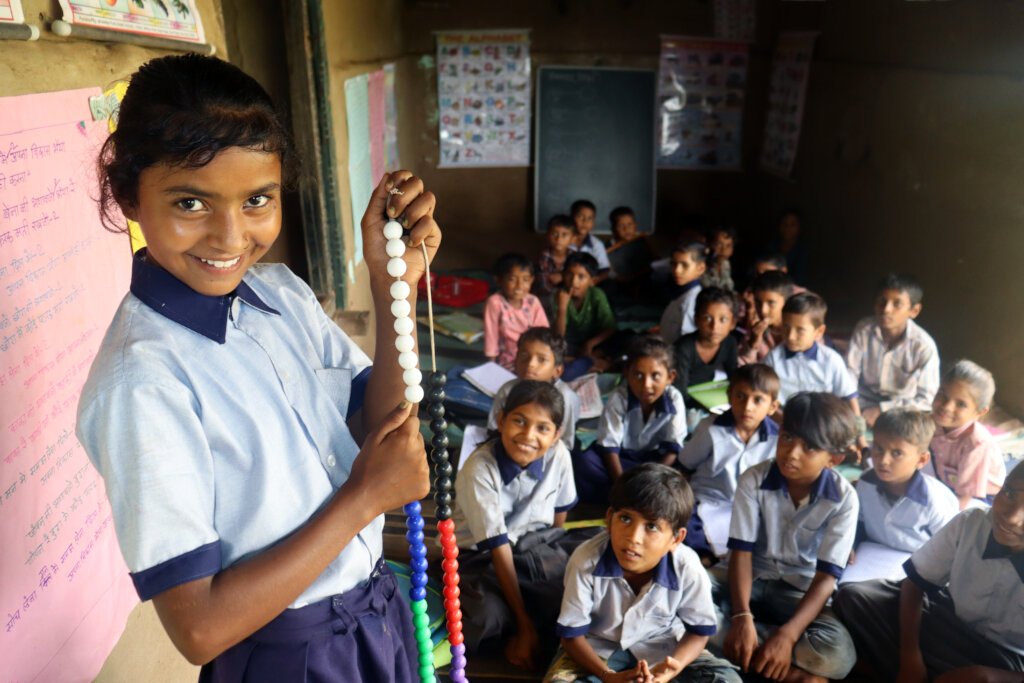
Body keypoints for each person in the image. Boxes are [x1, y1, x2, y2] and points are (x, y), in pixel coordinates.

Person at [76, 54, 437, 681]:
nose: (229, 236)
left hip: (374, 619)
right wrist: (362, 499)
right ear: (129, 196)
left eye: (257, 200)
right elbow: (199, 628)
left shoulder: (282, 296)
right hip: (287, 658)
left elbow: (380, 430)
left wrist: (392, 287)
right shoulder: (142, 383)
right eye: (190, 203)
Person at [545, 464, 741, 683]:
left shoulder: (688, 567)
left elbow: (699, 632)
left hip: (664, 646)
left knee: (727, 680)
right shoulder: (585, 560)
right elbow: (571, 637)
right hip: (597, 649)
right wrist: (607, 676)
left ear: (676, 539)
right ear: (609, 519)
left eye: (652, 527)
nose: (634, 538)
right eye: (626, 519)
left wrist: (670, 672)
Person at [834, 461, 1024, 682]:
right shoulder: (971, 523)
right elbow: (915, 584)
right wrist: (910, 657)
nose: (1011, 517)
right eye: (1010, 493)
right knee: (854, 598)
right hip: (946, 621)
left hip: (1005, 661)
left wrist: (990, 676)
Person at [718, 393, 859, 683]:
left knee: (838, 654)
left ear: (834, 459)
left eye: (809, 447)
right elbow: (741, 555)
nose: (791, 453)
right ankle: (787, 669)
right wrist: (742, 617)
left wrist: (789, 634)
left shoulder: (845, 499)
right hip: (749, 583)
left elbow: (825, 579)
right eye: (787, 437)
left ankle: (753, 650)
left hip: (799, 592)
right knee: (683, 597)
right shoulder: (753, 480)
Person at [453, 381, 582, 670]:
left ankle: (529, 627)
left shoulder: (558, 454)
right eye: (519, 421)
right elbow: (497, 547)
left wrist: (554, 558)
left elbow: (558, 525)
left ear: (557, 434)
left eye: (542, 428)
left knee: (579, 579)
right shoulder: (479, 468)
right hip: (480, 557)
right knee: (487, 619)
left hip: (534, 547)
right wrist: (524, 625)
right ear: (501, 420)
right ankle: (527, 629)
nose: (528, 436)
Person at [678, 364, 780, 561]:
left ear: (772, 407)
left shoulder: (777, 439)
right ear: (729, 396)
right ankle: (706, 557)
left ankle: (717, 559)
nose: (747, 407)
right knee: (682, 519)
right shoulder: (710, 429)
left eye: (758, 400)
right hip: (708, 500)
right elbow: (685, 466)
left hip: (752, 507)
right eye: (740, 396)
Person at [574, 336, 687, 504]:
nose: (646, 385)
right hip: (621, 460)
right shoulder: (619, 398)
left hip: (655, 463)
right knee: (584, 461)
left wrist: (653, 480)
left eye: (655, 376)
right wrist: (622, 483)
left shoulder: (674, 398)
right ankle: (627, 496)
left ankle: (627, 496)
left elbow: (672, 448)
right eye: (638, 375)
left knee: (683, 471)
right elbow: (609, 448)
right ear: (627, 373)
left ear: (670, 377)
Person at [855, 409, 958, 558]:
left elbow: (950, 547)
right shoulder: (865, 482)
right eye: (878, 448)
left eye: (897, 453)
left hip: (921, 567)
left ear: (921, 460)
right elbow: (859, 522)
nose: (883, 461)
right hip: (872, 558)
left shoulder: (935, 500)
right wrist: (852, 546)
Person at [846, 274, 940, 427]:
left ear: (914, 311)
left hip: (901, 406)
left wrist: (881, 410)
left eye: (897, 304)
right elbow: (850, 373)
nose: (886, 309)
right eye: (882, 301)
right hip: (864, 400)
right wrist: (855, 409)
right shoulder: (864, 329)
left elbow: (926, 399)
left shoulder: (923, 346)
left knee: (910, 432)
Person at [764, 292, 859, 417]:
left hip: (822, 422)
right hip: (784, 422)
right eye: (786, 327)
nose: (791, 337)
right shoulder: (773, 359)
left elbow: (849, 398)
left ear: (819, 332)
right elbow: (765, 400)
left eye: (800, 330)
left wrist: (860, 434)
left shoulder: (831, 360)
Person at [488, 326, 581, 452]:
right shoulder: (508, 390)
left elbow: (565, 443)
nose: (530, 364)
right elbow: (493, 430)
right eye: (524, 356)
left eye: (541, 359)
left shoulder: (566, 398)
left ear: (557, 371)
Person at [930, 360, 1006, 509]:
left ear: (979, 412)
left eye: (961, 404)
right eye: (942, 395)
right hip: (948, 484)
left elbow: (964, 498)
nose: (946, 407)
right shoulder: (932, 423)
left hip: (980, 497)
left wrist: (945, 523)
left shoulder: (976, 444)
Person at [554, 252, 617, 379]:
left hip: (593, 344)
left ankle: (587, 361)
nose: (573, 281)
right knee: (554, 356)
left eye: (581, 277)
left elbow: (610, 328)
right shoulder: (558, 296)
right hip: (567, 346)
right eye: (569, 274)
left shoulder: (596, 295)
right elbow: (557, 337)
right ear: (563, 275)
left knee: (624, 338)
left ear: (592, 281)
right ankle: (591, 363)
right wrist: (562, 309)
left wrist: (589, 344)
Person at [483, 253, 549, 369]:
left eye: (525, 280)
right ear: (499, 280)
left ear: (532, 280)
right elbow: (491, 336)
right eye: (512, 279)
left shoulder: (533, 302)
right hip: (508, 358)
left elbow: (543, 332)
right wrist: (491, 366)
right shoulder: (495, 303)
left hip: (532, 354)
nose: (519, 286)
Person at [672, 287, 739, 400]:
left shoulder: (729, 343)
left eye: (723, 320)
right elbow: (679, 393)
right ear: (696, 320)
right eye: (707, 318)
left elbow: (734, 377)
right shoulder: (684, 348)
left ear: (732, 324)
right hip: (684, 399)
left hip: (706, 393)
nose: (714, 327)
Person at [738, 270, 793, 365]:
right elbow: (742, 368)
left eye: (771, 303)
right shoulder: (755, 331)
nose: (763, 310)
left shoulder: (801, 329)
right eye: (758, 303)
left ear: (786, 302)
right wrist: (752, 345)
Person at [659, 242, 707, 345]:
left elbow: (685, 341)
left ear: (700, 268)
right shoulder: (682, 292)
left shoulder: (691, 301)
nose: (677, 270)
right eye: (674, 264)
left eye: (684, 265)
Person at [571, 199, 611, 282]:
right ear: (571, 217)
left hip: (589, 283)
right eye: (580, 216)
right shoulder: (564, 240)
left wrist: (594, 281)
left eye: (590, 218)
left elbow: (605, 270)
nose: (585, 221)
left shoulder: (597, 244)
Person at [537, 214, 576, 297]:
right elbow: (543, 285)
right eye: (554, 234)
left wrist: (563, 276)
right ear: (547, 235)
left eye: (564, 235)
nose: (558, 239)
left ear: (573, 239)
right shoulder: (543, 257)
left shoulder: (575, 257)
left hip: (571, 295)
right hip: (547, 295)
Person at [701, 226, 736, 291]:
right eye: (718, 244)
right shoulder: (701, 266)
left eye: (728, 245)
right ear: (709, 244)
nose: (724, 250)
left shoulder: (726, 264)